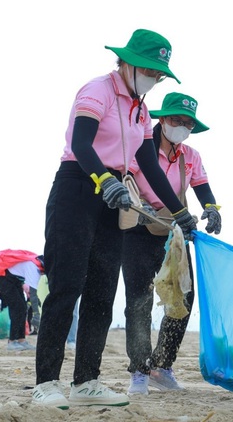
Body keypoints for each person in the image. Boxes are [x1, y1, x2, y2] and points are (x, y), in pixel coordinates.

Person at [33, 29, 197, 410]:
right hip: (78, 187)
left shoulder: (140, 108)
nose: (154, 79)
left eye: (160, 74)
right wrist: (103, 179)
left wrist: (180, 212)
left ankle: (86, 380)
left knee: (102, 291)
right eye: (151, 71)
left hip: (116, 198)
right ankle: (46, 382)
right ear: (127, 62)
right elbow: (80, 144)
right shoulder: (98, 91)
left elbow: (147, 165)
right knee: (67, 285)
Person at [121, 92, 221, 396]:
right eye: (178, 120)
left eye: (189, 123)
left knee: (183, 300)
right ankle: (139, 369)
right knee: (139, 301)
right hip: (138, 230)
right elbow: (125, 180)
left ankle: (162, 366)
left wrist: (212, 209)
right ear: (162, 119)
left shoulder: (190, 156)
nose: (183, 127)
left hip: (174, 234)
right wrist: (136, 209)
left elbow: (203, 188)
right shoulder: (140, 146)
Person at [0, 255, 43, 351]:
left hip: (16, 281)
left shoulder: (36, 266)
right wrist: (36, 314)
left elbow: (31, 292)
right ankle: (12, 341)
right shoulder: (33, 267)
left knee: (23, 309)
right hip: (5, 280)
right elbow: (33, 293)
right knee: (17, 309)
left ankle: (21, 340)